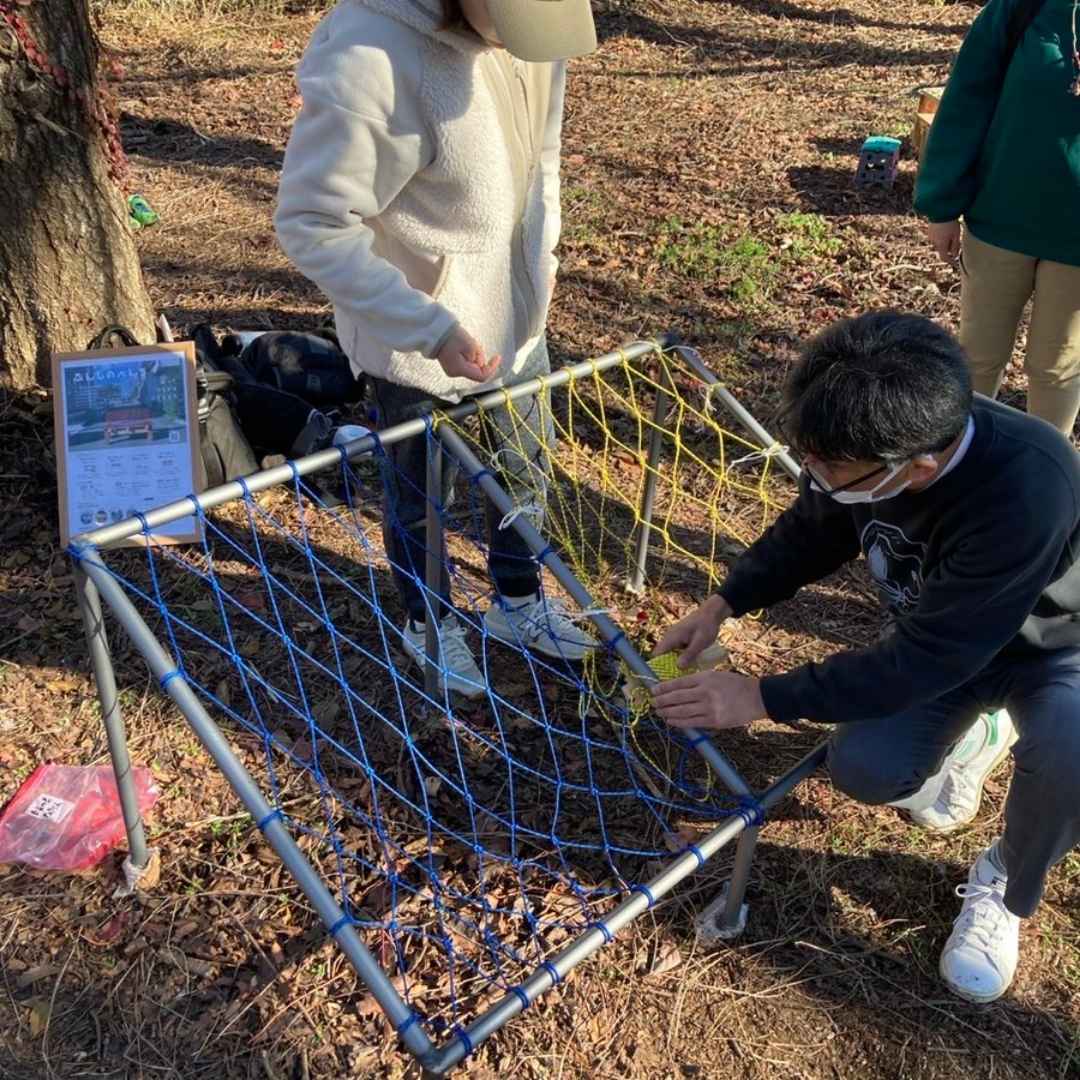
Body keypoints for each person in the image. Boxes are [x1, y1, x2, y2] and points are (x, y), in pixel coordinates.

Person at [651, 311, 1080, 1004]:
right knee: (864, 768)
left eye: (832, 468)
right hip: (940, 637)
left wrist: (762, 696)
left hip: (1053, 650)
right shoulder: (862, 442)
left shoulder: (1029, 484)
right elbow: (811, 530)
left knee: (1072, 748)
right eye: (810, 459)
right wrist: (724, 603)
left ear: (919, 469)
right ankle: (974, 740)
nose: (815, 476)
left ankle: (1006, 879)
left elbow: (927, 658)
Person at [275, 0, 599, 698]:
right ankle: (427, 617)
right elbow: (313, 223)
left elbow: (543, 154)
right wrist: (430, 328)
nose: (525, 43)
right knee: (420, 490)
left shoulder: (535, 33)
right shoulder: (371, 55)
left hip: (515, 315)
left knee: (523, 464)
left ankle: (517, 598)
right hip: (416, 333)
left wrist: (540, 255)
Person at [914, 0, 1080, 435]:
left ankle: (1044, 477)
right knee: (978, 355)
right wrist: (942, 204)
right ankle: (962, 466)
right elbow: (965, 106)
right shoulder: (1018, 11)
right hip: (1000, 222)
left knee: (1057, 368)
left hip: (1077, 244)